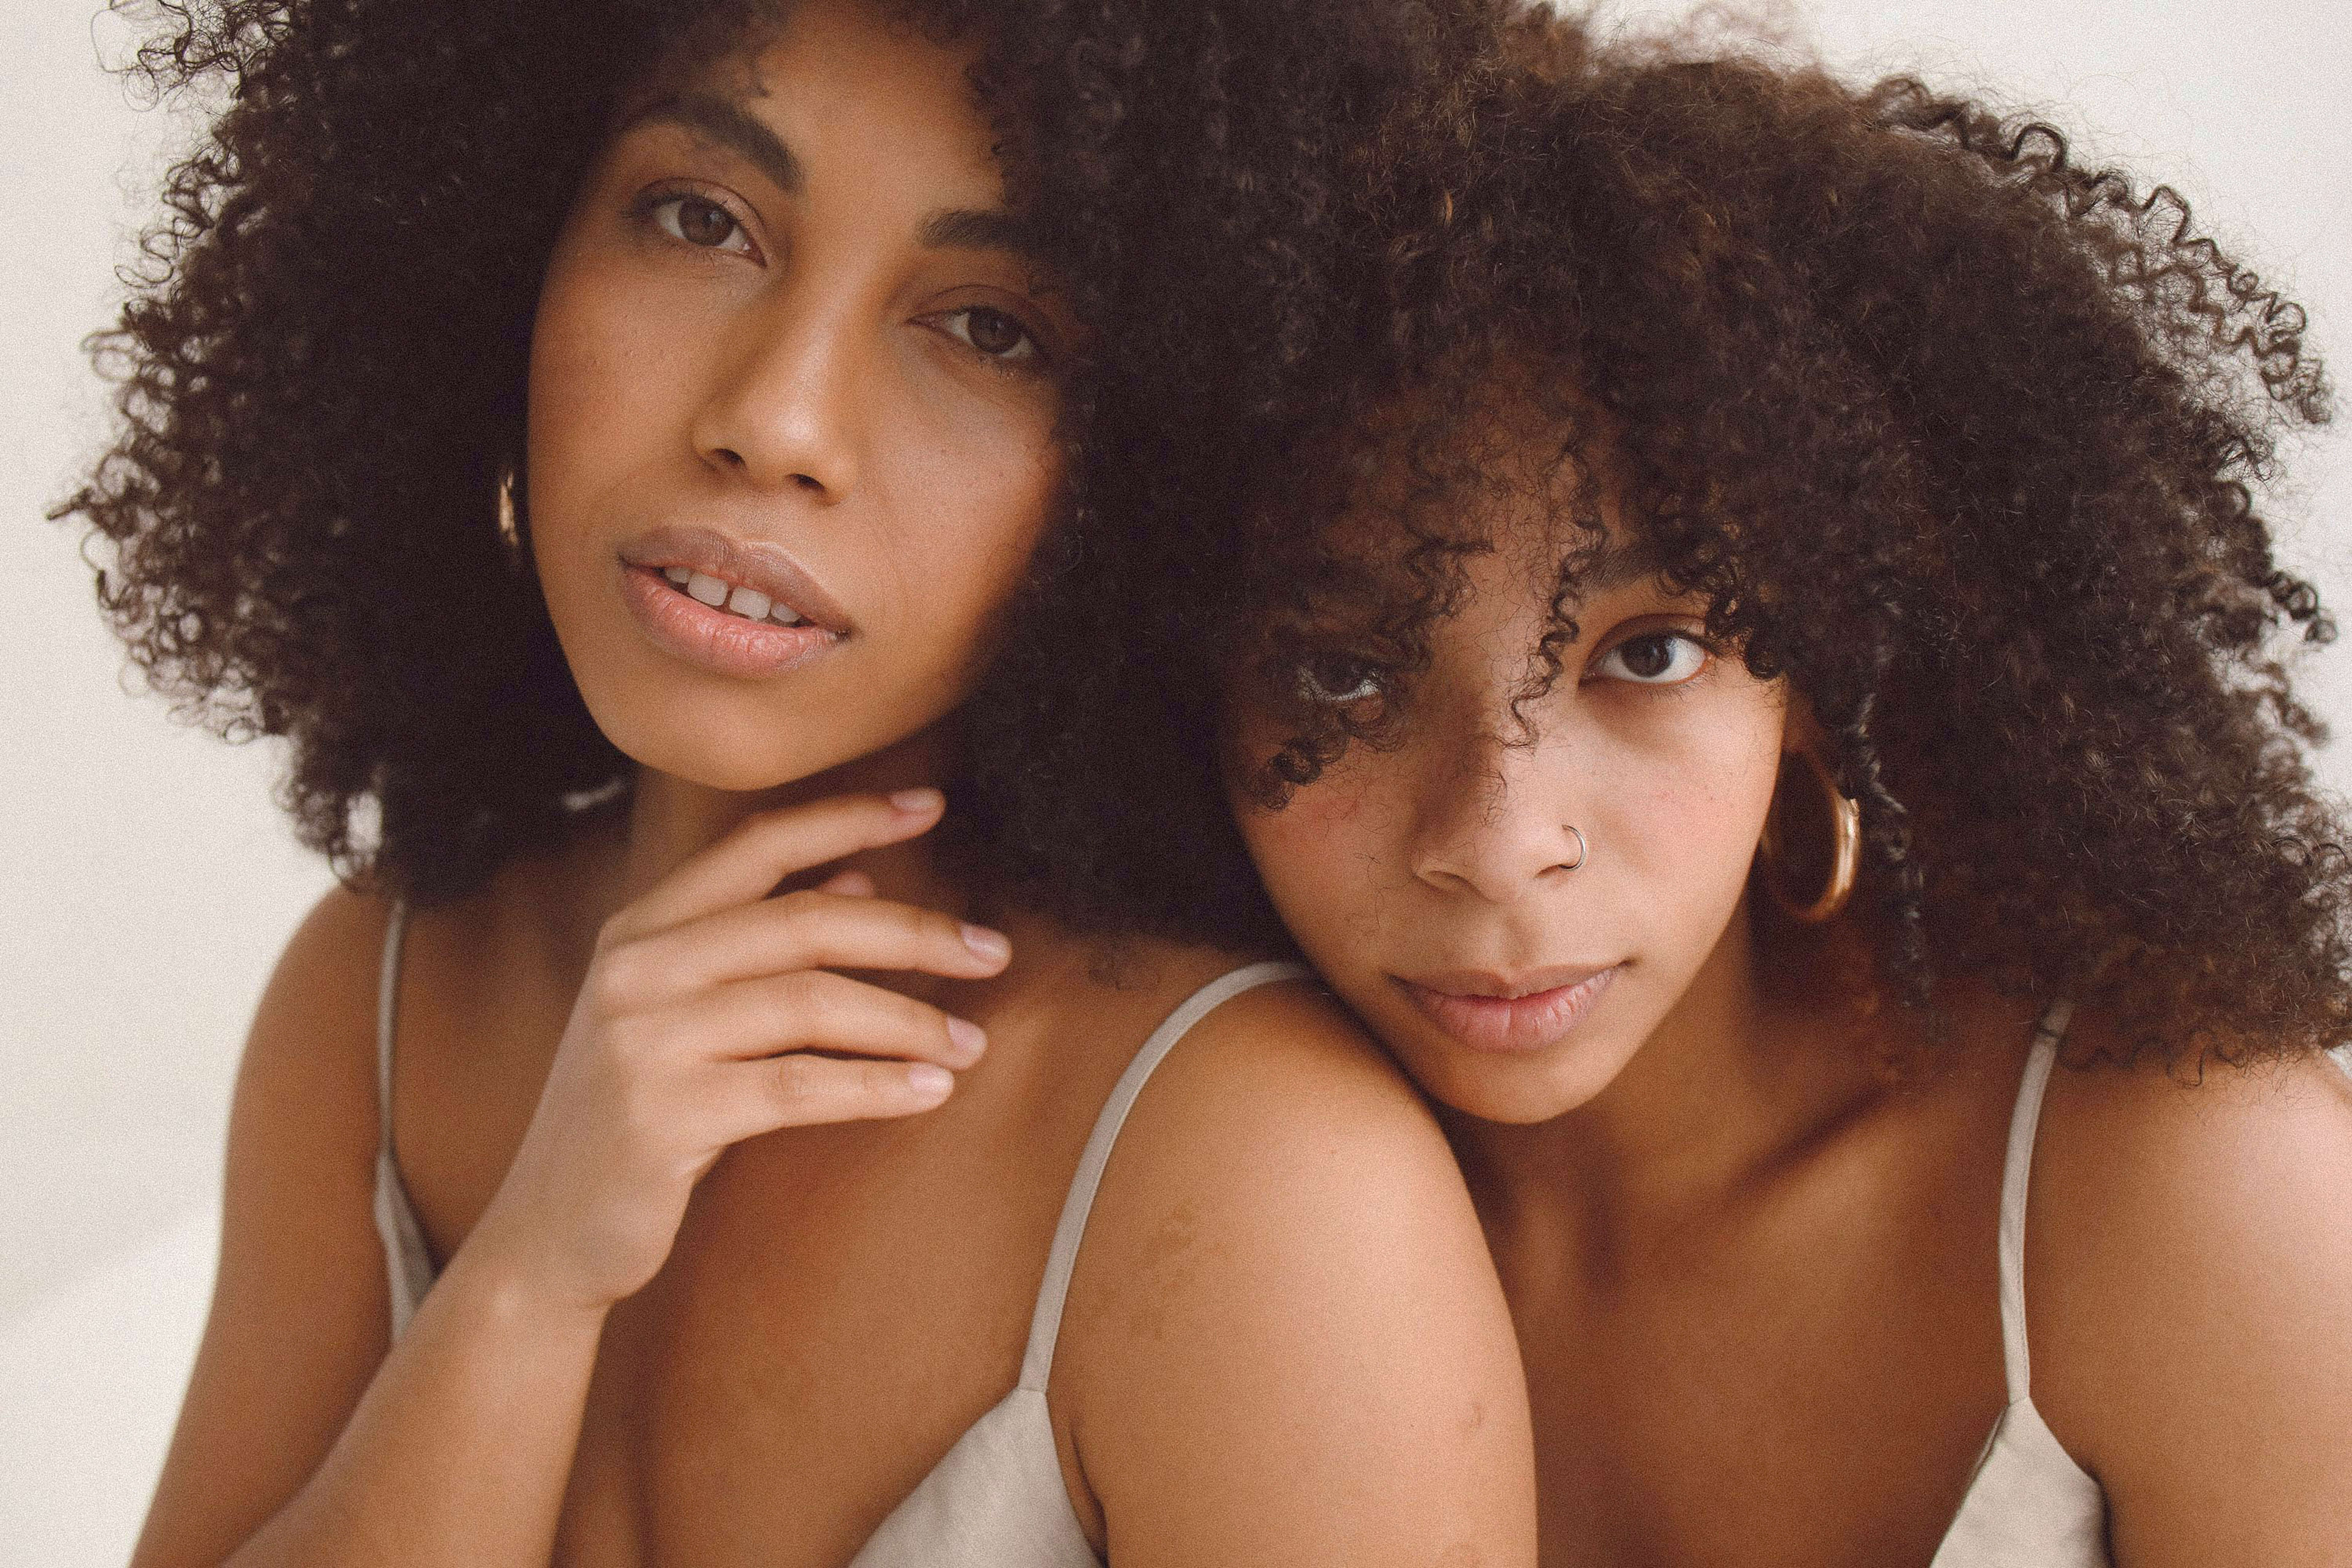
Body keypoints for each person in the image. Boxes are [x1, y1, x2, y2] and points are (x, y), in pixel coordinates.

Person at [50, 0, 1538, 1563]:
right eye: (703, 221)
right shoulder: (388, 992)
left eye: (991, 327)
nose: (776, 419)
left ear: (1157, 460)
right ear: (508, 249)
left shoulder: (1262, 1183)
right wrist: (531, 1276)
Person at [1191, 14, 2352, 1565]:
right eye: (1346, 674)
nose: (1498, 841)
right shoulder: (1191, 1213)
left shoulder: (2182, 1184)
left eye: (1648, 651)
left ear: (1815, 671)